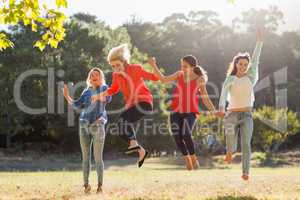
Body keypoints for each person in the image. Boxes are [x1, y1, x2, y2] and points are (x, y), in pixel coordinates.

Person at [148, 55, 223, 170]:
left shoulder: (200, 79)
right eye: (182, 66)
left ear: (193, 67)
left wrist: (214, 111)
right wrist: (154, 65)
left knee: (186, 133)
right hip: (175, 111)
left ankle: (193, 158)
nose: (182, 68)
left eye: (185, 66)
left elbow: (205, 98)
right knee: (177, 136)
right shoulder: (179, 75)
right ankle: (187, 158)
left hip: (190, 112)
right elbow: (163, 80)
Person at [91, 44, 159, 167]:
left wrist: (153, 65)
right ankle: (141, 151)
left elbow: (154, 78)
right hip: (132, 105)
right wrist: (98, 96)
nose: (116, 68)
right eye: (113, 66)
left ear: (125, 62)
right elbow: (113, 89)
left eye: (118, 65)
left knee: (124, 120)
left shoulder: (135, 69)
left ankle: (133, 144)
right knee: (121, 128)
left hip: (144, 102)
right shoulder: (116, 75)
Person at [219, 27, 263, 180]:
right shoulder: (230, 79)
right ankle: (230, 151)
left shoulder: (251, 77)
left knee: (246, 143)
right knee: (231, 139)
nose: (243, 66)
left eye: (245, 64)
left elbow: (256, 59)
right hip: (231, 114)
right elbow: (224, 94)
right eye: (240, 64)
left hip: (247, 115)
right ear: (235, 64)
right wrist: (220, 109)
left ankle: (246, 172)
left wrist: (259, 42)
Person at [63, 68, 111, 193]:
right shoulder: (86, 91)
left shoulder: (105, 88)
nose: (94, 76)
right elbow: (76, 104)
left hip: (97, 126)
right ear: (89, 78)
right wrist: (67, 96)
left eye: (97, 74)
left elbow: (107, 99)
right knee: (85, 158)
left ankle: (100, 185)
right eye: (92, 75)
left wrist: (98, 97)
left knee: (98, 158)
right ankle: (86, 185)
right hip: (83, 125)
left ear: (101, 77)